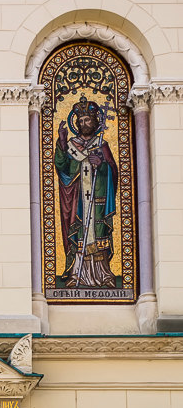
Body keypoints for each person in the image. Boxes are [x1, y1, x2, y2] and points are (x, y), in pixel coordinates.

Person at [54, 95, 118, 289]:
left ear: (95, 121)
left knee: (99, 235)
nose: (84, 123)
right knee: (80, 235)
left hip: (98, 201)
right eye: (80, 121)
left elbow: (113, 172)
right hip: (78, 201)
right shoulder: (73, 145)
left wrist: (103, 166)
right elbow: (62, 168)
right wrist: (62, 143)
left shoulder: (102, 145)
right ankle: (77, 274)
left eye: (87, 119)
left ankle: (104, 275)